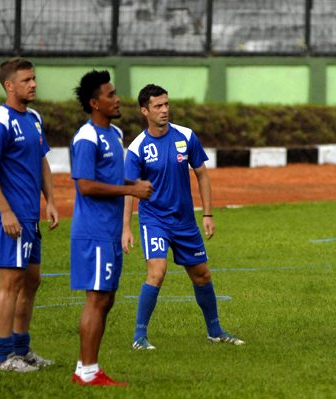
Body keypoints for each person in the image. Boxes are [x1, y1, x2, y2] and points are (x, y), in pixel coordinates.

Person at [122, 84, 244, 350]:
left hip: (186, 221)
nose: (164, 110)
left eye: (166, 104)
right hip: (154, 220)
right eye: (158, 106)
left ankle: (215, 332)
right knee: (157, 272)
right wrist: (126, 229)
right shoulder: (137, 148)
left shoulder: (186, 136)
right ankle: (139, 337)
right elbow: (129, 190)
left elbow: (201, 174)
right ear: (145, 111)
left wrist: (208, 213)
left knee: (202, 276)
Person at [69, 70, 153, 386]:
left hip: (109, 231)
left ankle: (85, 368)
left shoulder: (114, 135)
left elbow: (112, 179)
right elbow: (87, 186)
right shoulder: (87, 137)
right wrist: (131, 191)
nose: (117, 99)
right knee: (96, 299)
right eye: (110, 95)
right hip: (94, 231)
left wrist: (134, 183)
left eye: (115, 93)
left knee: (107, 299)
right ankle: (89, 371)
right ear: (95, 103)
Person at [0, 58, 60, 372]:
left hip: (30, 217)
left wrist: (50, 201)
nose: (34, 84)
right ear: (9, 85)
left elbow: (42, 162)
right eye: (27, 80)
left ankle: (22, 350)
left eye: (34, 79)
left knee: (31, 282)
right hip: (11, 218)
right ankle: (2, 358)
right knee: (10, 284)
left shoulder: (34, 118)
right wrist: (5, 212)